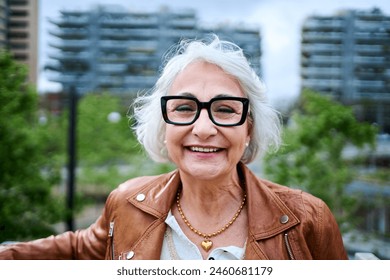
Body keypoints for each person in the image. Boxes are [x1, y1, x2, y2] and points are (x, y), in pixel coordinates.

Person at [0, 35, 348, 260]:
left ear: (249, 128)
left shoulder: (308, 220)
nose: (203, 128)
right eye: (184, 108)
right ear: (164, 125)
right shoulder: (126, 204)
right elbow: (78, 250)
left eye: (225, 109)